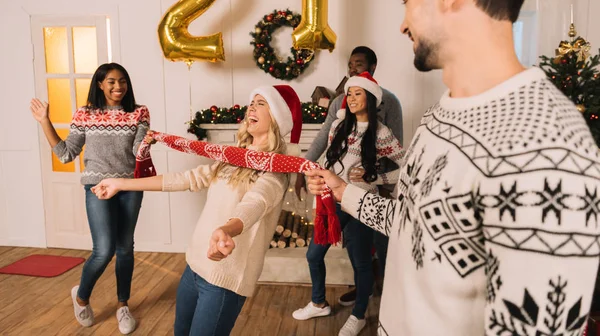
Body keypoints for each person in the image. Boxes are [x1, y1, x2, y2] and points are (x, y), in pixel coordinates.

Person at [304, 0, 600, 335]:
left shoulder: (548, 148)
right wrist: (342, 190)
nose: (403, 23)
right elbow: (413, 223)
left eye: (407, 0)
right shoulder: (437, 118)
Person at [93, 85, 302, 336]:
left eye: (262, 103)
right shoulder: (232, 156)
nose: (252, 107)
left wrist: (227, 229)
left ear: (277, 118)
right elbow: (186, 178)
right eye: (252, 102)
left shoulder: (276, 170)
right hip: (194, 267)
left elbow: (256, 203)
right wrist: (121, 184)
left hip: (223, 281)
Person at [30, 63, 149, 334]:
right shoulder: (85, 114)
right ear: (99, 84)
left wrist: (147, 141)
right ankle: (82, 296)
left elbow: (136, 152)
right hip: (97, 187)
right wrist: (44, 121)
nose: (118, 87)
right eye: (111, 82)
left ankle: (123, 306)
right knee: (103, 250)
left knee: (125, 249)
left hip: (129, 186)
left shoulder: (139, 112)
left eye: (123, 81)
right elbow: (65, 154)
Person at [292, 72, 404, 336]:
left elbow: (408, 165)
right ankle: (318, 302)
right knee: (313, 254)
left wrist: (377, 177)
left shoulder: (382, 133)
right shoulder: (338, 126)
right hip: (334, 202)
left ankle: (359, 315)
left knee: (361, 262)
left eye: (357, 93)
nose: (351, 98)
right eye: (349, 93)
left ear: (371, 98)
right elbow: (331, 163)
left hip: (362, 203)